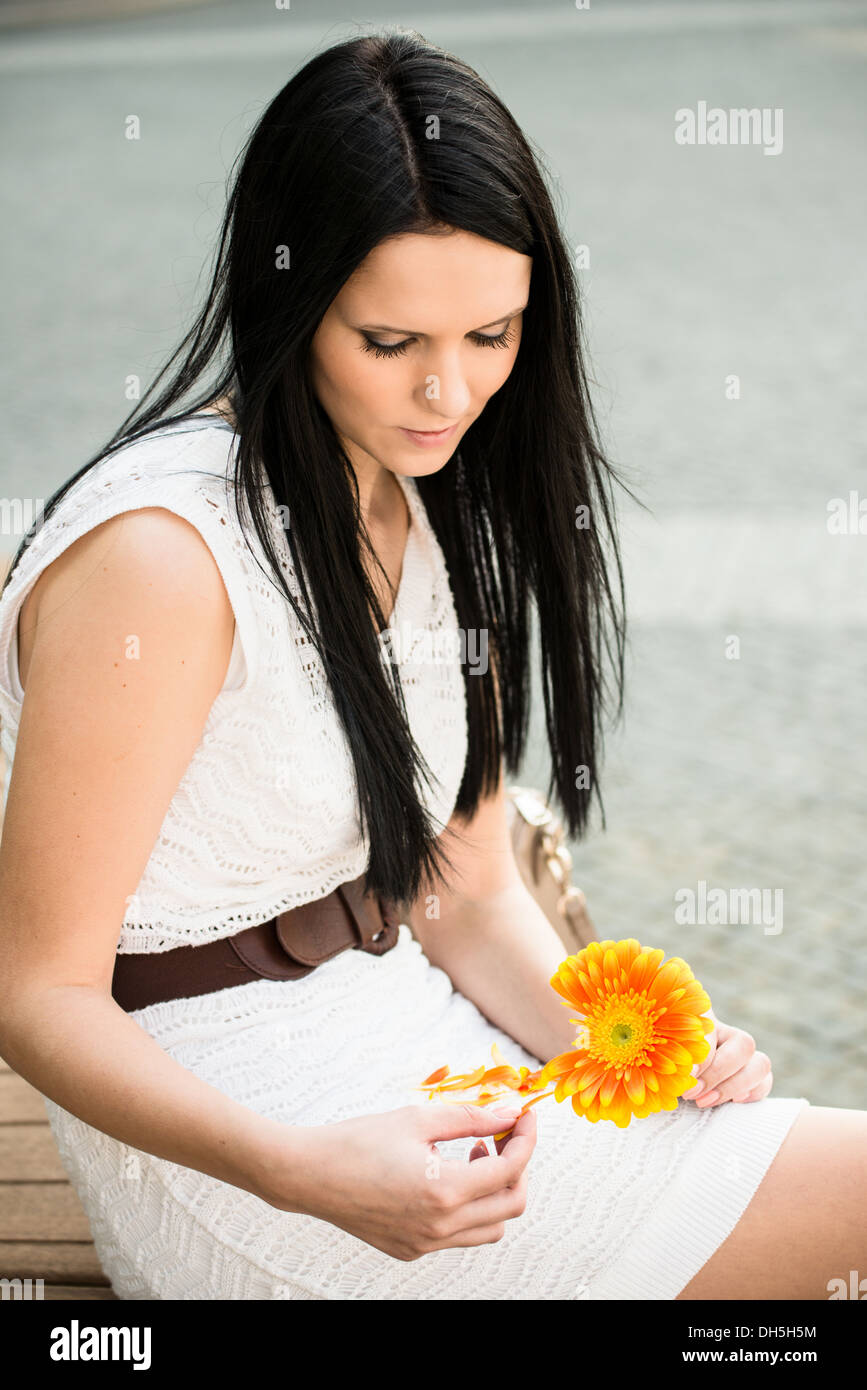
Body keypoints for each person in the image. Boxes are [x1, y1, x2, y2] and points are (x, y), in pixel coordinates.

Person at [0, 31, 863, 1302]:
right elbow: (38, 993)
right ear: (287, 298)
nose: (449, 390)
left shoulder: (434, 494)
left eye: (493, 332)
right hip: (242, 1147)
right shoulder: (163, 562)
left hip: (418, 1054)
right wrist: (302, 1171)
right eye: (390, 338)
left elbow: (462, 892)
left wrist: (619, 1049)